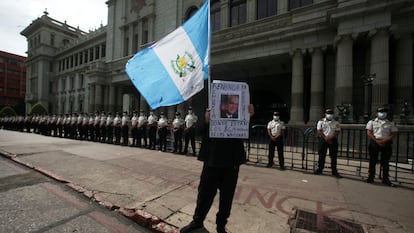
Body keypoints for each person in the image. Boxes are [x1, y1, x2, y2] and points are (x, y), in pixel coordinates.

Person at [180, 104, 254, 233]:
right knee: (204, 194)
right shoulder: (211, 113)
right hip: (211, 161)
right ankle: (197, 222)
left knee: (227, 197)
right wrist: (207, 121)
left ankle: (221, 226)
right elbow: (198, 132)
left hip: (231, 162)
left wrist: (247, 118)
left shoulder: (239, 116)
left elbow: (247, 135)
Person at [366, 107, 398, 186]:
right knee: (373, 160)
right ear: (377, 113)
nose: (382, 113)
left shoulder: (390, 123)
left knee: (385, 162)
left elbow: (393, 134)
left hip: (386, 143)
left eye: (384, 112)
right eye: (381, 112)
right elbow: (369, 132)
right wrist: (377, 141)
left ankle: (385, 178)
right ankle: (371, 177)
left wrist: (384, 141)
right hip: (375, 142)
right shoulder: (372, 122)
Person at [314, 108, 342, 178]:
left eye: (331, 113)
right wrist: (325, 138)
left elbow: (337, 131)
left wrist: (330, 138)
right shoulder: (321, 121)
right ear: (325, 114)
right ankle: (320, 168)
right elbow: (319, 131)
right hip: (323, 139)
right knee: (321, 155)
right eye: (328, 113)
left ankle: (334, 171)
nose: (329, 114)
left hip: (332, 139)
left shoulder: (336, 123)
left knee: (333, 156)